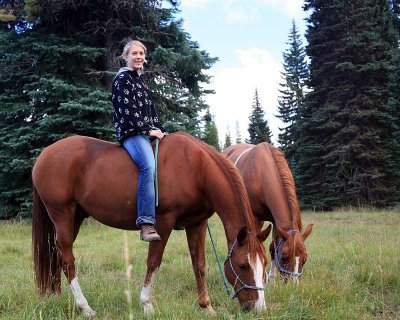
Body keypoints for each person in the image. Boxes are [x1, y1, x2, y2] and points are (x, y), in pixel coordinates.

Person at [112, 40, 166, 242]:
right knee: (148, 165)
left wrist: (161, 129)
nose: (139, 56)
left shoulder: (140, 81)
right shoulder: (122, 79)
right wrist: (149, 130)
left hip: (146, 132)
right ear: (126, 56)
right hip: (132, 134)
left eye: (142, 53)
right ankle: (146, 222)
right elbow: (127, 113)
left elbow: (151, 112)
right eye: (134, 53)